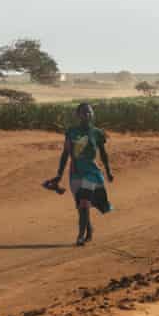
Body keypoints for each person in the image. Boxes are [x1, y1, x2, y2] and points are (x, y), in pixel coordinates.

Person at [53, 103, 114, 246]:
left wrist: (108, 170)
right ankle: (89, 229)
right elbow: (65, 153)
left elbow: (103, 154)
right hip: (75, 172)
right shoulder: (71, 132)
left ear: (93, 114)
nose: (87, 115)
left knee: (85, 202)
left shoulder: (98, 133)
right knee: (81, 206)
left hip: (91, 173)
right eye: (84, 113)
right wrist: (59, 175)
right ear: (78, 115)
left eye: (90, 112)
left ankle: (80, 236)